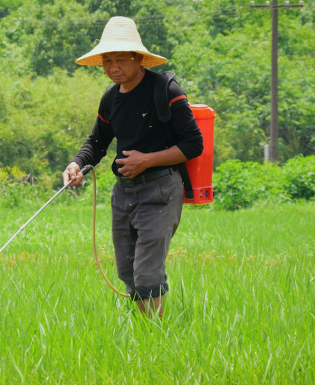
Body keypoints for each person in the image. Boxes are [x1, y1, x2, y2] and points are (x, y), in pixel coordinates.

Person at [62, 16, 203, 318]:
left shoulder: (165, 90)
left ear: (138, 58)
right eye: (107, 61)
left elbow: (193, 144)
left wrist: (147, 160)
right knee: (128, 270)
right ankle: (145, 331)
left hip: (161, 189)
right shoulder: (111, 99)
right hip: (123, 194)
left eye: (120, 60)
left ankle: (155, 336)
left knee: (147, 271)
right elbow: (97, 143)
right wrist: (76, 164)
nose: (113, 68)